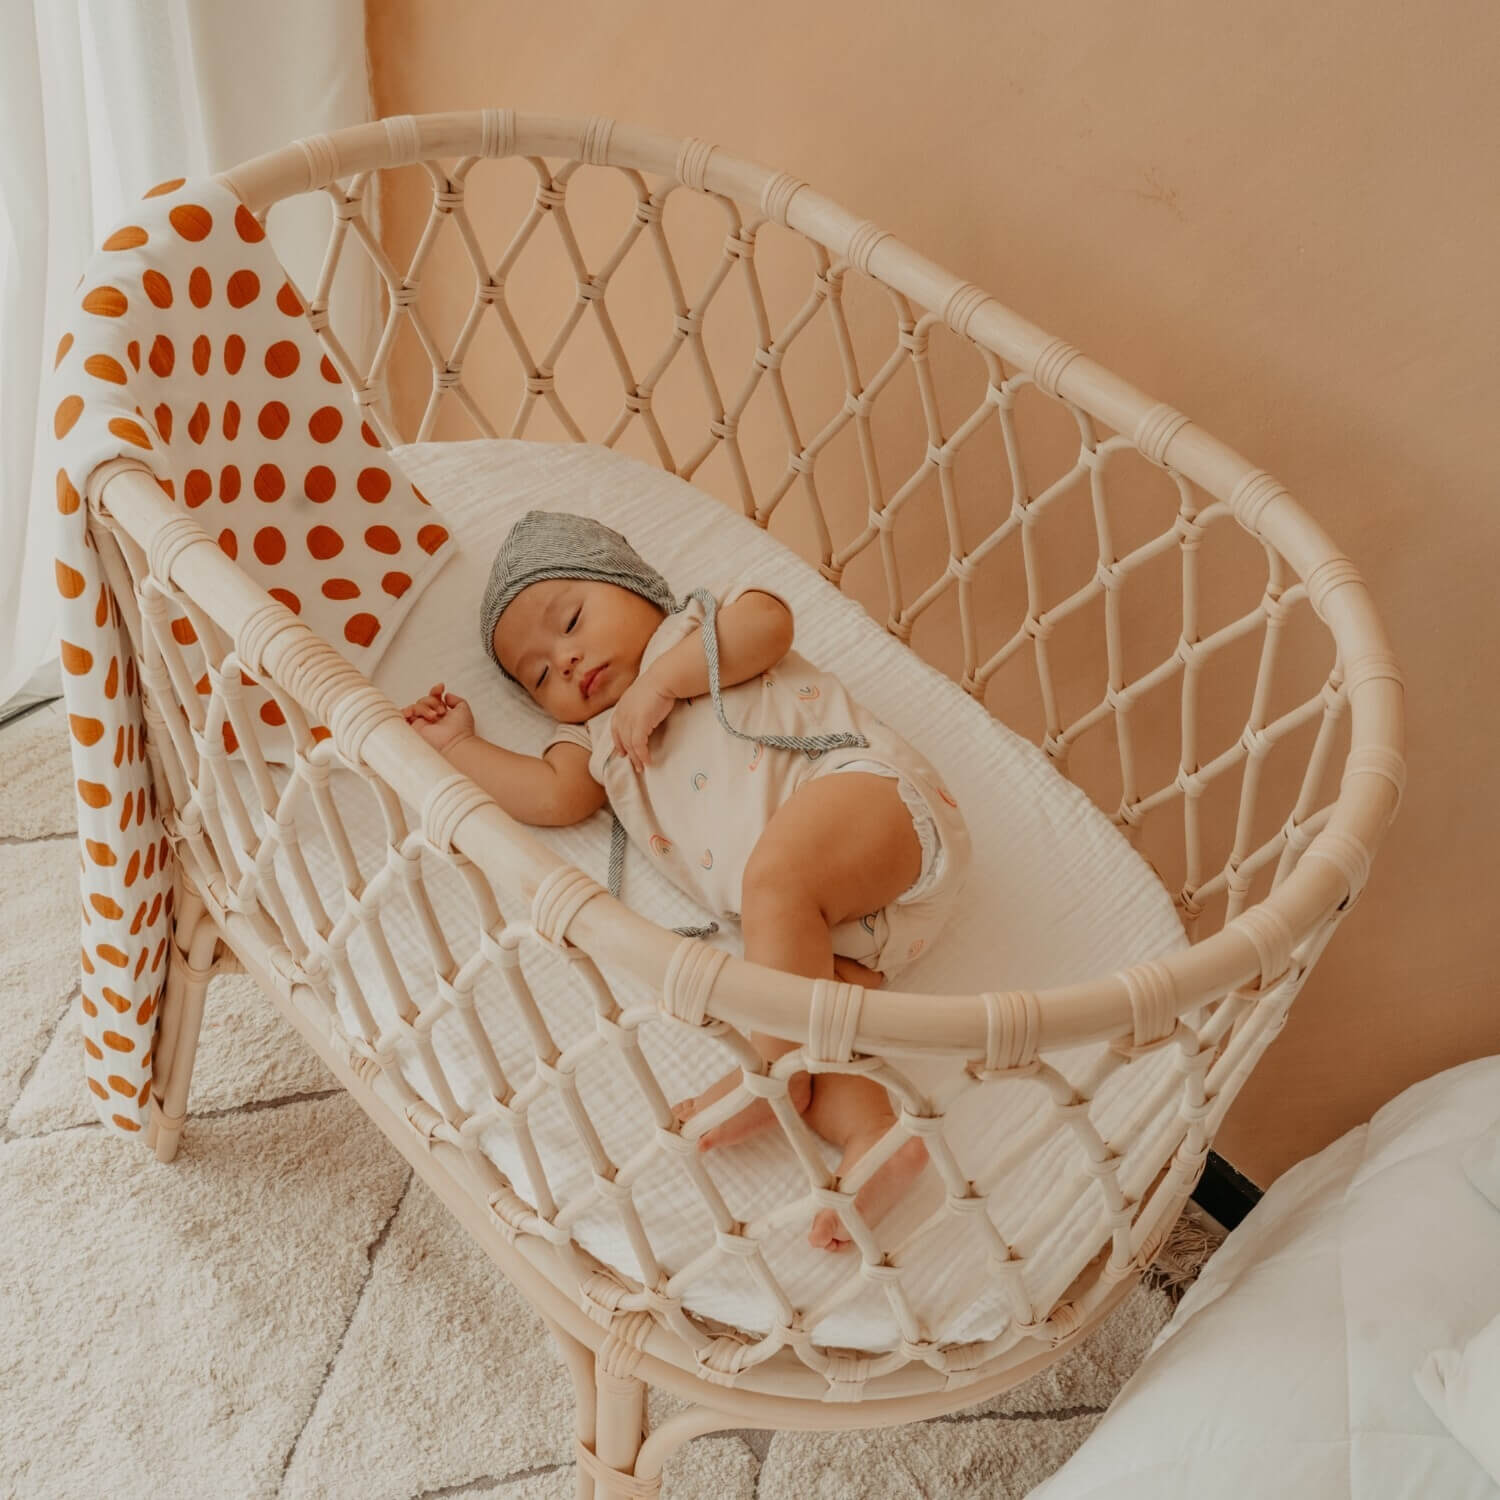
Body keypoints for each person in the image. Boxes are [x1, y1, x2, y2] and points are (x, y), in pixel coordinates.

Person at [401, 509, 972, 1250]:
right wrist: (460, 747)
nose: (566, 662)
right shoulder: (596, 744)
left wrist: (666, 683)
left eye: (572, 620)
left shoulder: (695, 629)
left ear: (637, 588)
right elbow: (551, 797)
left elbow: (770, 624)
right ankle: (876, 1137)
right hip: (846, 927)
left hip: (874, 802)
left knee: (774, 895)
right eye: (539, 675)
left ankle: (772, 1075)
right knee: (812, 1006)